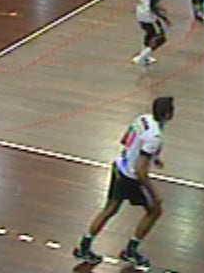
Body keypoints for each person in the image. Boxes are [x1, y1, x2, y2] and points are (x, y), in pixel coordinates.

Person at [73, 96, 176, 267]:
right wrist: (154, 194)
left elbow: (125, 140)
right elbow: (141, 172)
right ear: (168, 114)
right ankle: (131, 251)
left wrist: (152, 157)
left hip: (119, 167)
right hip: (132, 178)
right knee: (155, 210)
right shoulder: (155, 136)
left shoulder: (143, 119)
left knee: (110, 209)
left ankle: (84, 246)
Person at [132, 0, 172, 67]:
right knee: (161, 37)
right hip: (148, 14)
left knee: (150, 33)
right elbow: (152, 6)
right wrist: (164, 18)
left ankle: (145, 56)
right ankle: (142, 57)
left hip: (141, 9)